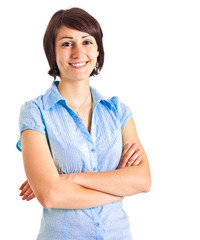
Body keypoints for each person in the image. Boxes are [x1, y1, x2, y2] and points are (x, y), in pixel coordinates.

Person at [17, 7, 151, 240]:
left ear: (98, 50)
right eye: (67, 43)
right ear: (53, 52)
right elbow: (50, 195)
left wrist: (68, 178)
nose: (78, 52)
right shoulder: (35, 112)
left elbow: (143, 180)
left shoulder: (118, 112)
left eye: (87, 42)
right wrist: (117, 189)